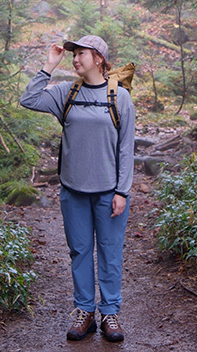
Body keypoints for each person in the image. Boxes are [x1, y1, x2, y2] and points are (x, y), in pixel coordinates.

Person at [20, 35, 135, 343]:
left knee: (110, 252)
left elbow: (126, 148)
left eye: (81, 53)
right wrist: (49, 65)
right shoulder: (66, 93)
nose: (75, 59)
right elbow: (29, 99)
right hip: (73, 192)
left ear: (98, 59)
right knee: (80, 252)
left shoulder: (120, 97)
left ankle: (109, 313)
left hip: (109, 192)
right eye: (73, 54)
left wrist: (122, 192)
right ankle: (85, 312)